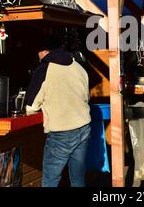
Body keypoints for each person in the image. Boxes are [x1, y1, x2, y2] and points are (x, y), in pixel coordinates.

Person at [25, 37, 91, 187]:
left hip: (62, 131)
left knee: (50, 181)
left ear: (44, 52)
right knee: (78, 179)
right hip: (84, 127)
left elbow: (31, 107)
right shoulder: (78, 67)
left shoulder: (43, 69)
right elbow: (87, 97)